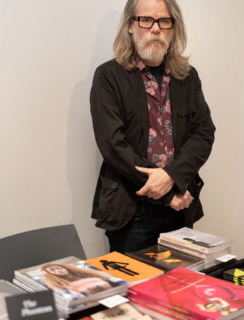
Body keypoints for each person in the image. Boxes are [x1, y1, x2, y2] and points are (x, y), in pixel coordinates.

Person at [90, 0, 215, 253]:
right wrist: (167, 192)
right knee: (132, 291)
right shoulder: (108, 77)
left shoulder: (188, 77)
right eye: (146, 20)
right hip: (131, 211)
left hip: (181, 208)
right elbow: (114, 145)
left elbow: (203, 133)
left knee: (179, 290)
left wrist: (171, 178)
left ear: (173, 27)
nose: (155, 29)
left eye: (164, 21)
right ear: (130, 26)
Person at [41, 263, 112, 296]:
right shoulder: (63, 286)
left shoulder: (87, 272)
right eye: (52, 270)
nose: (58, 270)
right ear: (51, 275)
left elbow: (108, 278)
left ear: (64, 267)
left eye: (58, 267)